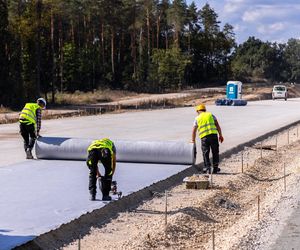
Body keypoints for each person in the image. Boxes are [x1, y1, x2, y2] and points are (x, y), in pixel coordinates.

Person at [191, 104, 224, 174]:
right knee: (215, 152)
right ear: (205, 110)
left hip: (204, 138)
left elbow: (194, 130)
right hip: (214, 136)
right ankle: (215, 168)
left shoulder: (197, 118)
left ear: (197, 111)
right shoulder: (211, 115)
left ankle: (207, 168)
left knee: (205, 153)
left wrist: (193, 141)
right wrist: (220, 135)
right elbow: (217, 125)